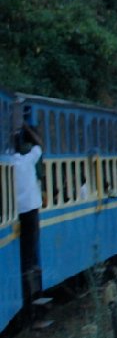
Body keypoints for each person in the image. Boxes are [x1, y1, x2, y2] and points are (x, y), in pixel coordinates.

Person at [13, 123, 44, 299]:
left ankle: (25, 273)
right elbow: (40, 145)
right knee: (31, 246)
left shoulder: (12, 164)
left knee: (24, 247)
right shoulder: (29, 159)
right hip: (31, 208)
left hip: (17, 211)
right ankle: (30, 275)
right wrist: (29, 129)